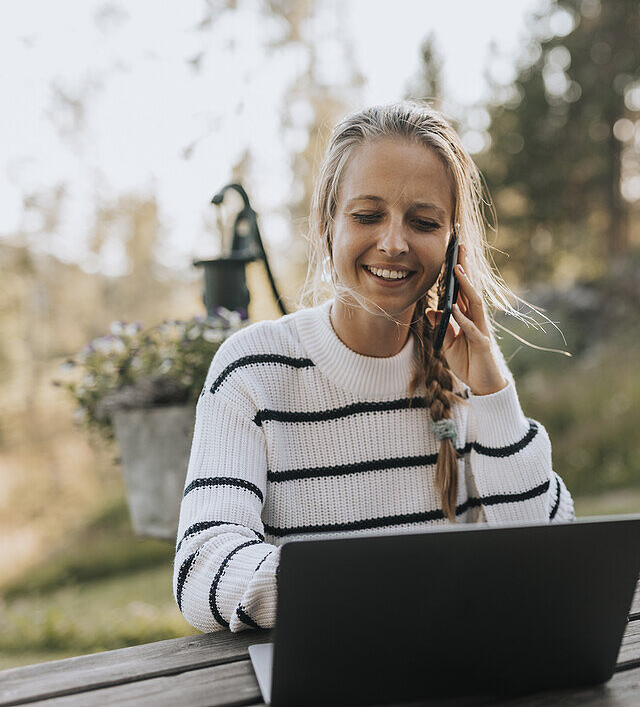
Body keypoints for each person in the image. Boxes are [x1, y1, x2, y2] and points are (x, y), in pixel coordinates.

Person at [173, 102, 575, 633]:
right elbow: (202, 567)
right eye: (367, 216)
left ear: (451, 244)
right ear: (325, 227)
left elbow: (549, 552)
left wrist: (493, 390)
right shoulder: (251, 371)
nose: (393, 243)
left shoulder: (462, 375)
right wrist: (370, 592)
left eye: (424, 222)